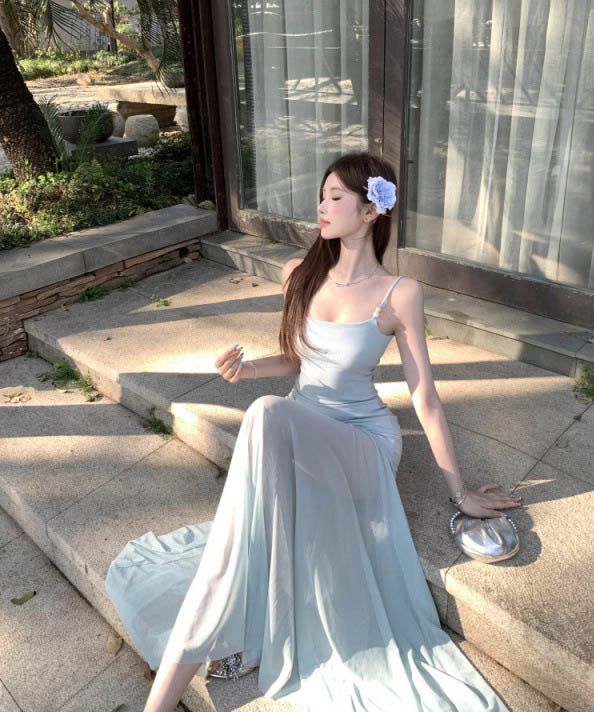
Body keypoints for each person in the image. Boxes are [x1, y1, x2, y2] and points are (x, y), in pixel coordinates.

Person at [106, 151, 521, 712]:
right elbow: (301, 359)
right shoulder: (299, 275)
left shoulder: (399, 293)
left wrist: (460, 492)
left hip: (361, 446)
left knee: (266, 416)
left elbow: (423, 395)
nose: (321, 206)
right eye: (321, 195)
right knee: (266, 430)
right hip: (297, 428)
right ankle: (222, 627)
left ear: (371, 210)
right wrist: (247, 370)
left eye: (335, 197)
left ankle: (221, 632)